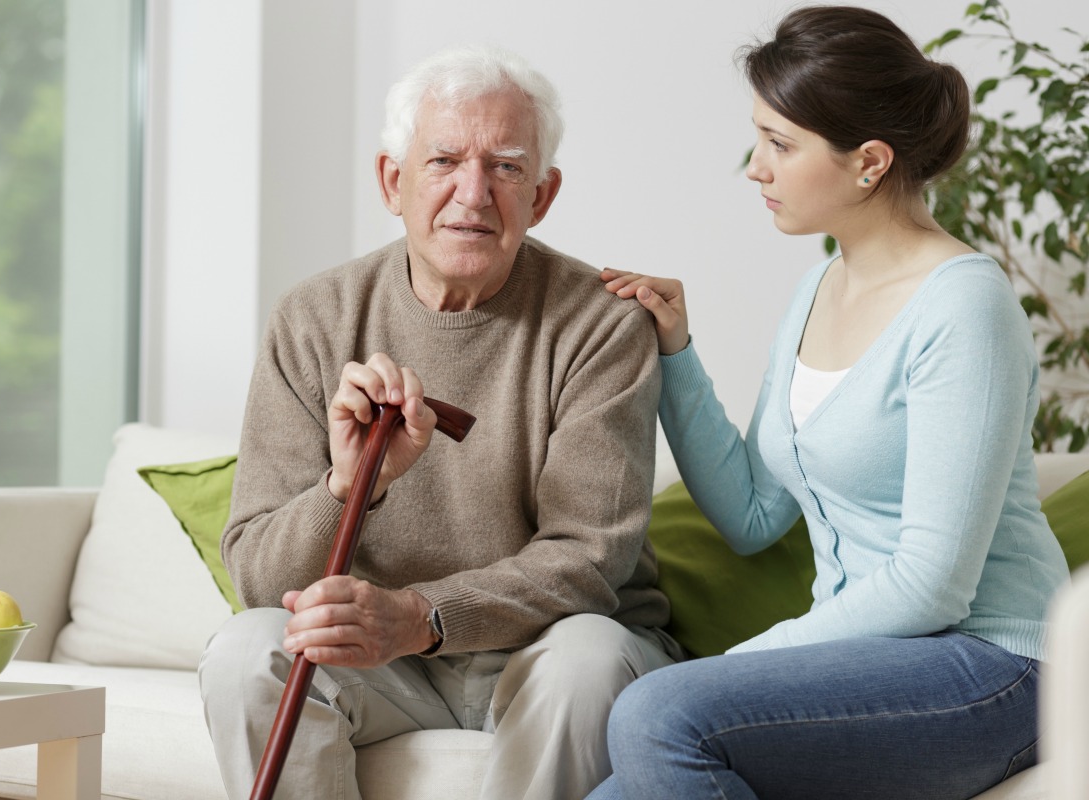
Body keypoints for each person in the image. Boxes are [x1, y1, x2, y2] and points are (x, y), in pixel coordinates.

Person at [588, 6, 1071, 799]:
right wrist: (674, 351)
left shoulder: (964, 308)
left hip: (997, 667)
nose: (754, 166)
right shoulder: (819, 287)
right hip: (876, 662)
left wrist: (750, 659)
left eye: (780, 143)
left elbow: (932, 585)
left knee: (659, 715)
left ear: (869, 163)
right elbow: (750, 514)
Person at [197, 44, 684, 800]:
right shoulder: (313, 318)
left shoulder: (600, 324)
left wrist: (421, 614)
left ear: (542, 196)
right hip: (384, 669)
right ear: (393, 181)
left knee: (588, 656)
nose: (473, 194)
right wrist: (348, 483)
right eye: (444, 161)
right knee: (246, 649)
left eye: (507, 168)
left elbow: (588, 560)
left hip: (543, 653)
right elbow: (259, 576)